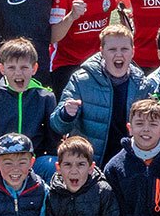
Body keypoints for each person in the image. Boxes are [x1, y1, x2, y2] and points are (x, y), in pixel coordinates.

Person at [51, 24, 145, 167]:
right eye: (112, 49)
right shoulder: (81, 80)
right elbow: (57, 126)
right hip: (90, 166)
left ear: (133, 52)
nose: (118, 54)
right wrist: (66, 115)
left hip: (128, 167)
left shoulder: (143, 85)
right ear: (102, 52)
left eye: (124, 49)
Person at [0, 37, 58, 181]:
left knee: (53, 165)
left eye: (24, 67)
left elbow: (52, 140)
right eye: (11, 68)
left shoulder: (45, 98)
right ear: (2, 69)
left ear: (34, 69)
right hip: (2, 165)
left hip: (33, 163)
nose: (18, 73)